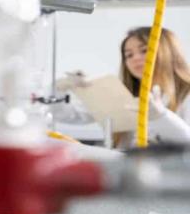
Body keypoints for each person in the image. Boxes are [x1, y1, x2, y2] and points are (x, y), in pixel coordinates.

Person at [55, 26, 190, 146]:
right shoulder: (125, 95)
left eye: (144, 50)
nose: (135, 58)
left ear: (168, 52)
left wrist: (162, 117)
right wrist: (59, 89)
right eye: (129, 55)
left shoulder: (186, 95)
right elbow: (69, 116)